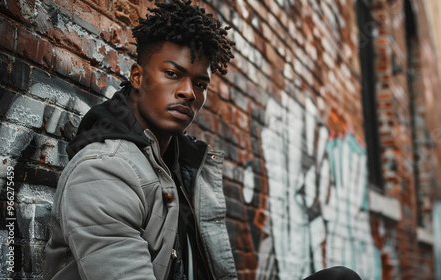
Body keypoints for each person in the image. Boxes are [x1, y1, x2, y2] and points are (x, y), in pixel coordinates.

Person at [43, 0, 362, 279]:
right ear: (138, 77)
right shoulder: (103, 172)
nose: (188, 92)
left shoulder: (183, 169)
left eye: (200, 83)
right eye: (172, 74)